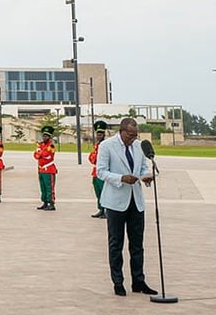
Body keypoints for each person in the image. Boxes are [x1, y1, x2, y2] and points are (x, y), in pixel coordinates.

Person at [96, 117, 159, 297]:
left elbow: (141, 169)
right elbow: (101, 171)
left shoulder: (139, 146)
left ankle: (139, 281)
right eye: (130, 135)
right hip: (116, 201)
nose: (132, 138)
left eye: (135, 135)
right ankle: (118, 282)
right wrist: (121, 178)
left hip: (135, 201)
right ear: (122, 131)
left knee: (137, 244)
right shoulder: (107, 146)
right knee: (116, 244)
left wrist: (146, 176)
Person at [88, 120, 108, 218]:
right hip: (95, 172)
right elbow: (91, 158)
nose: (99, 136)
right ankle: (101, 209)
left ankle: (106, 210)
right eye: (98, 134)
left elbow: (99, 158)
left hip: (103, 172)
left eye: (101, 134)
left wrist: (95, 158)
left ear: (104, 134)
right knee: (98, 192)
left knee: (105, 192)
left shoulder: (106, 145)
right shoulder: (96, 145)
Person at [34, 126, 57, 210]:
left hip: (49, 169)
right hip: (41, 169)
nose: (44, 137)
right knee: (43, 187)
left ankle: (51, 203)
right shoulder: (41, 145)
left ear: (49, 137)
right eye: (43, 136)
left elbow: (46, 154)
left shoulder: (51, 146)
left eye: (46, 136)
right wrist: (40, 154)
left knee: (49, 187)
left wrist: (40, 153)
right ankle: (44, 202)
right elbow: (35, 155)